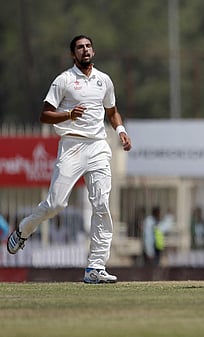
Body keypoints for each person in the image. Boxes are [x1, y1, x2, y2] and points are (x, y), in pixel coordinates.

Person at [6, 35, 132, 284]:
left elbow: (112, 111)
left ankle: (95, 267)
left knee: (101, 204)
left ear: (93, 52)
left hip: (97, 146)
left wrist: (121, 131)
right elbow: (45, 115)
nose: (84, 50)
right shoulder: (64, 80)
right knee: (56, 205)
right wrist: (68, 115)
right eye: (79, 48)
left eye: (88, 47)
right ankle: (24, 230)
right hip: (72, 146)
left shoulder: (103, 80)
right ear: (73, 55)